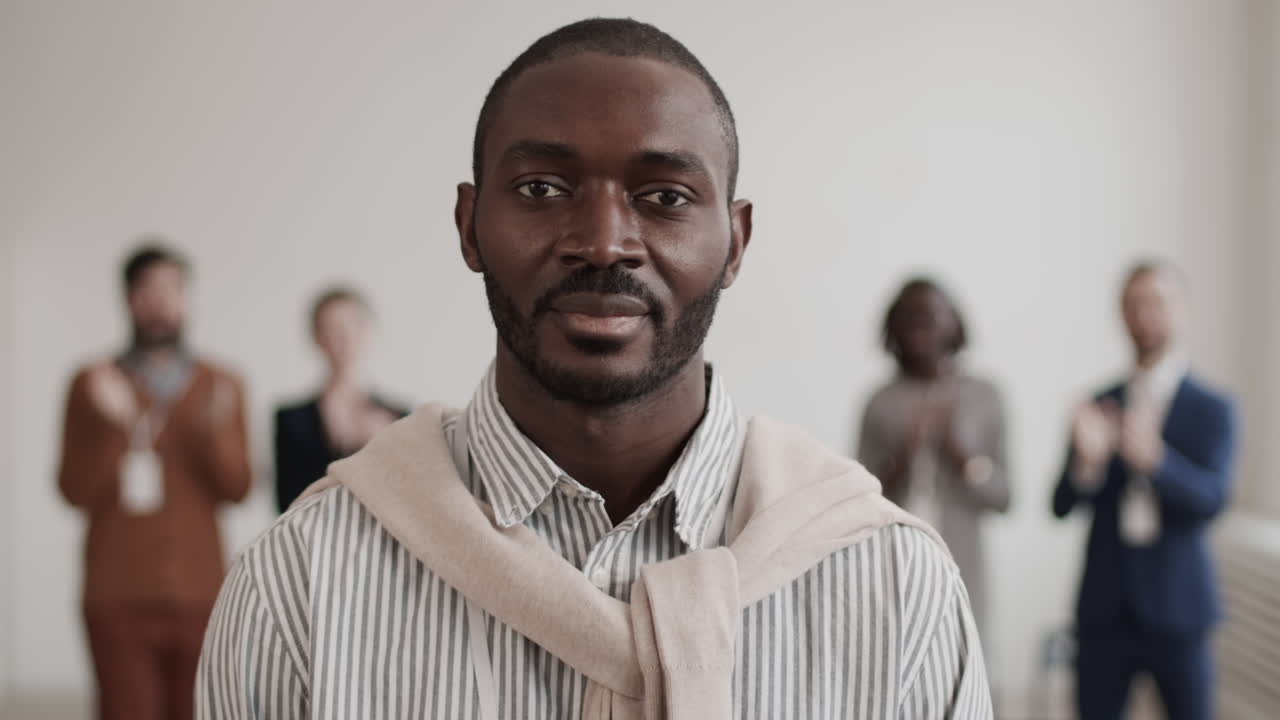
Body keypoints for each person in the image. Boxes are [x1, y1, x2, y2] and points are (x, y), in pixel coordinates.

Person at [197, 18, 991, 719]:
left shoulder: (892, 584)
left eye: (666, 197)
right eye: (542, 188)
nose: (605, 241)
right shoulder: (300, 581)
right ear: (470, 228)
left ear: (736, 242)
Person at [57, 243, 252, 720]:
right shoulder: (91, 382)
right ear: (129, 299)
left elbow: (238, 488)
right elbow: (74, 491)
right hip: (116, 594)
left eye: (172, 289)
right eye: (148, 289)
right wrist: (114, 424)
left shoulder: (221, 384)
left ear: (187, 298)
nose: (161, 301)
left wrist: (209, 432)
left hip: (202, 594)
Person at [1052, 261, 1236, 720]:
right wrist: (1086, 463)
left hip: (1181, 611)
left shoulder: (1213, 407)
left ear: (1183, 311)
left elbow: (1213, 501)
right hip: (1104, 612)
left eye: (1155, 303)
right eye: (1132, 305)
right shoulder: (1098, 402)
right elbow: (1059, 504)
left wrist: (1157, 463)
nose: (1143, 316)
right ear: (1121, 315)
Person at [857, 278, 1010, 640]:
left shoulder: (983, 396)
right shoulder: (880, 401)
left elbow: (1004, 498)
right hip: (893, 564)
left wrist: (964, 459)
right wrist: (902, 459)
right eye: (908, 318)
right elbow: (858, 499)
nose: (919, 328)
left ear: (953, 323)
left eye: (930, 317)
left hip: (963, 563)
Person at [273, 287, 406, 512]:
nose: (346, 339)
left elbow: (410, 501)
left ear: (371, 331)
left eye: (355, 325)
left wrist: (382, 448)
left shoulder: (400, 417)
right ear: (316, 338)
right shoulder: (291, 420)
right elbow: (287, 504)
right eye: (332, 330)